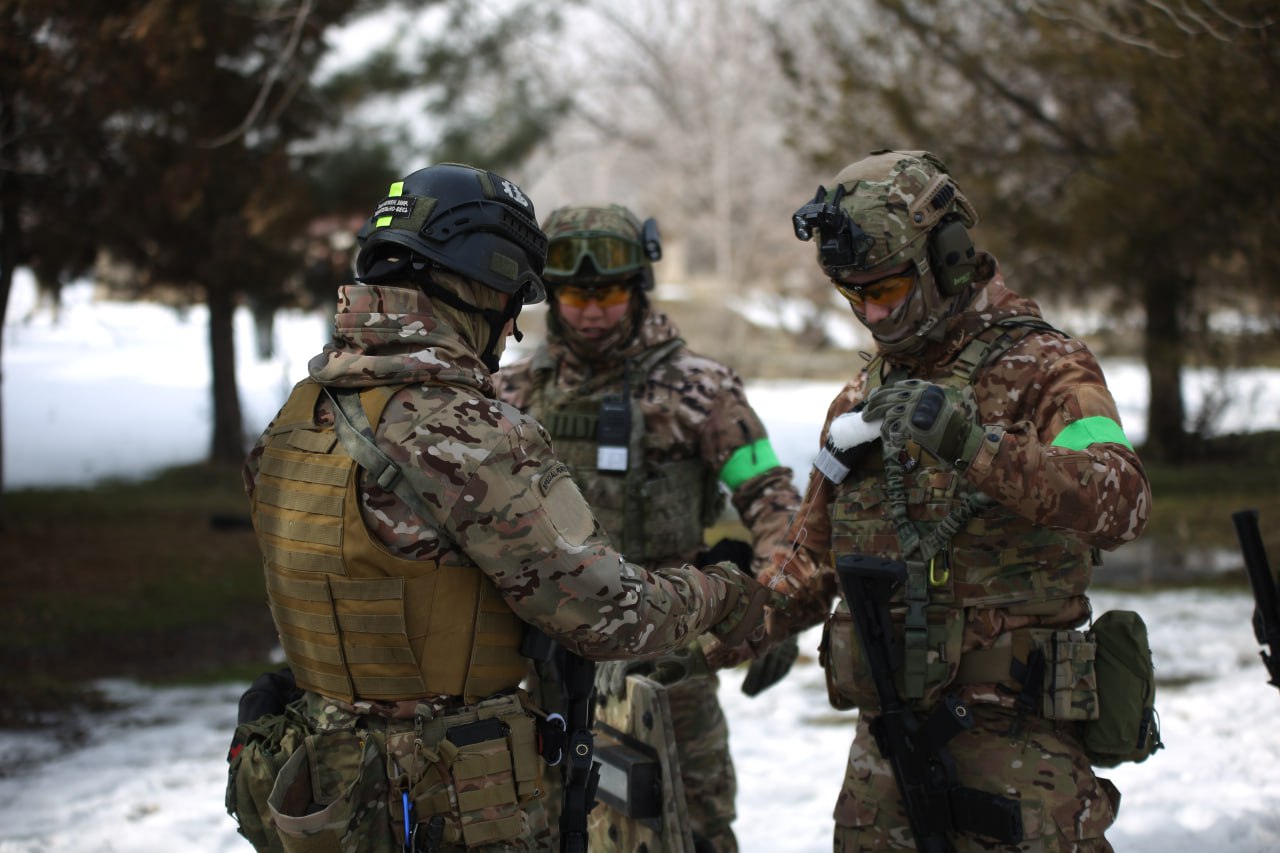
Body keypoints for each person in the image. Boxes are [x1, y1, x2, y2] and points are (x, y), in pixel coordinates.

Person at [237, 163, 772, 853]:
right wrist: (724, 590)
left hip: (326, 796)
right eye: (517, 297)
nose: (517, 324)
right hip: (450, 796)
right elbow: (608, 613)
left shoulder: (297, 416)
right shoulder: (463, 429)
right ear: (481, 284)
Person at [761, 149, 1152, 850]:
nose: (872, 314)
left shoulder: (1048, 367)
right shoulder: (859, 399)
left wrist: (974, 444)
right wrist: (707, 631)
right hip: (886, 767)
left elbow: (1121, 498)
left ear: (945, 258)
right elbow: (810, 562)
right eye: (854, 297)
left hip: (1018, 762)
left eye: (885, 288)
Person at [496, 204, 803, 853]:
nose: (590, 310)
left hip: (664, 673)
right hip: (539, 675)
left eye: (607, 292)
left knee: (688, 831)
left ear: (637, 288)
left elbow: (773, 498)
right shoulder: (511, 394)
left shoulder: (700, 390)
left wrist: (773, 602)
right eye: (575, 293)